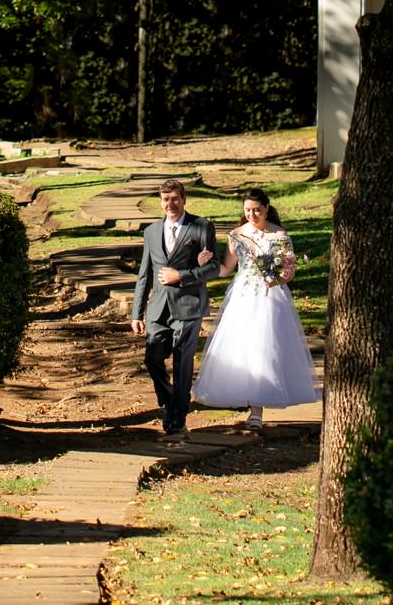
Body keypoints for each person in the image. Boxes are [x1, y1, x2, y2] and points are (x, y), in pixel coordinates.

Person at [193, 187, 319, 430]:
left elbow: (289, 271)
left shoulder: (279, 234)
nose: (252, 214)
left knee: (265, 347)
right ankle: (247, 396)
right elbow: (226, 269)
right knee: (243, 346)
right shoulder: (236, 235)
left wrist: (275, 278)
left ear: (266, 209)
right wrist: (203, 264)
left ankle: (257, 411)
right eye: (248, 210)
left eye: (257, 210)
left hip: (270, 296)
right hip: (242, 296)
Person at [130, 177, 220, 436]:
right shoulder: (150, 232)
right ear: (160, 203)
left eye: (175, 199)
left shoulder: (202, 227)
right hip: (158, 308)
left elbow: (213, 268)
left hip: (188, 306)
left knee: (182, 362)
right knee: (152, 358)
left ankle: (177, 418)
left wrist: (182, 275)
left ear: (184, 200)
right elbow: (144, 274)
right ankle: (169, 401)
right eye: (165, 200)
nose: (171, 204)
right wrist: (137, 312)